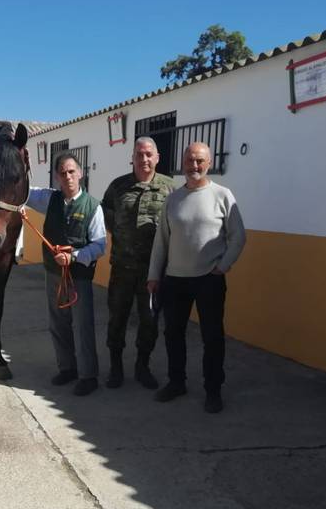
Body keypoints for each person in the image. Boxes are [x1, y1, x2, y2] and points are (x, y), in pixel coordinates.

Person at [147, 142, 246, 413]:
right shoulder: (173, 199)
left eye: (200, 161)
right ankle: (176, 382)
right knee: (173, 334)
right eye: (190, 160)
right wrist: (154, 275)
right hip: (175, 279)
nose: (194, 166)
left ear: (209, 163)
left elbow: (238, 236)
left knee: (212, 337)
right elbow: (161, 242)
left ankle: (213, 390)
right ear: (183, 162)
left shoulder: (223, 195)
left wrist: (222, 267)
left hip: (209, 279)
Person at [24, 152, 107, 396]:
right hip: (54, 274)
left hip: (79, 276)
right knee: (58, 324)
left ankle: (88, 375)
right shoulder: (49, 199)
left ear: (80, 174)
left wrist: (74, 257)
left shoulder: (93, 206)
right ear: (57, 177)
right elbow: (24, 191)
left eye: (72, 171)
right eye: (62, 172)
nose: (67, 176)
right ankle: (67, 368)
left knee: (83, 326)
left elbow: (99, 246)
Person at [101, 137, 173, 390]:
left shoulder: (170, 188)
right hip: (121, 269)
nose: (144, 159)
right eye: (139, 154)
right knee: (117, 319)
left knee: (149, 322)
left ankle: (143, 367)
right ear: (132, 157)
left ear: (157, 158)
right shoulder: (118, 187)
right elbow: (106, 216)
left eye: (148, 154)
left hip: (153, 273)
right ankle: (116, 368)